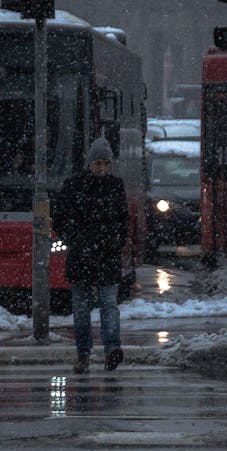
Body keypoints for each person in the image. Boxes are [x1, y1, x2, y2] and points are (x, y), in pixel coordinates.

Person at [53, 136, 129, 374]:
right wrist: (74, 239)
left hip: (103, 255)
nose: (102, 168)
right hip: (85, 255)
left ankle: (111, 348)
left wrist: (115, 240)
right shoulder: (74, 185)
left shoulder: (114, 186)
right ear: (89, 163)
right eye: (98, 163)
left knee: (107, 305)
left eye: (105, 163)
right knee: (84, 309)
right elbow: (60, 216)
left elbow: (122, 218)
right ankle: (84, 353)